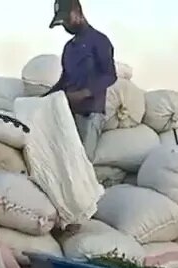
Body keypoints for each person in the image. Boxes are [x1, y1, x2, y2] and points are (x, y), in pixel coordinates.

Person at [46, 0, 116, 161]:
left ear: (78, 12)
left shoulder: (99, 41)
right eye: (61, 23)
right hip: (70, 114)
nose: (65, 25)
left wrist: (85, 93)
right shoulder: (69, 48)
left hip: (91, 115)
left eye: (66, 19)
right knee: (66, 161)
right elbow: (64, 80)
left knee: (83, 163)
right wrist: (45, 98)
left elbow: (110, 75)